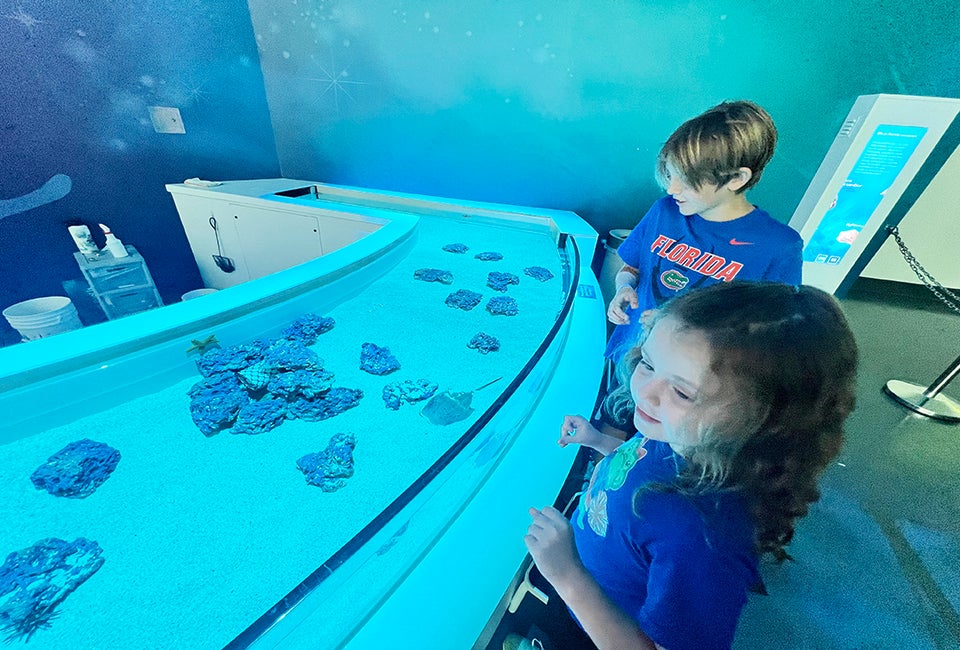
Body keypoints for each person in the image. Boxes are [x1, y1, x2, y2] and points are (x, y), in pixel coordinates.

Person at [522, 281, 858, 650]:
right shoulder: (678, 432)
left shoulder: (704, 537)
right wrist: (600, 441)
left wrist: (568, 575)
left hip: (598, 625)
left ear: (765, 420)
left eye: (682, 392)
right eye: (648, 364)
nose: (645, 393)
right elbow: (639, 464)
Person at [604, 99, 802, 368]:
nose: (672, 189)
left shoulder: (779, 247)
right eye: (671, 175)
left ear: (736, 178)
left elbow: (770, 335)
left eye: (686, 180)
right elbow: (633, 267)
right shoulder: (664, 210)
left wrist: (681, 330)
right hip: (627, 355)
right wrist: (623, 288)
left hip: (688, 380)